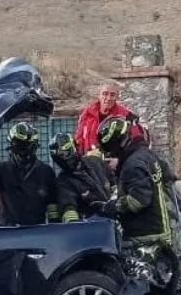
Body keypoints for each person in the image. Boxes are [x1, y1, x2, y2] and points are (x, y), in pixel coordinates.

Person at [92, 116, 170, 246]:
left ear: (117, 144)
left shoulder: (133, 165)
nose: (109, 154)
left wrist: (112, 206)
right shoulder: (145, 153)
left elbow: (139, 200)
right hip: (159, 228)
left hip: (145, 235)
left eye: (109, 149)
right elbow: (167, 175)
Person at [0, 122, 58, 226]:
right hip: (10, 233)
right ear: (11, 146)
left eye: (28, 147)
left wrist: (55, 229)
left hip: (37, 233)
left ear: (35, 147)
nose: (24, 152)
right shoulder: (1, 170)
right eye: (19, 146)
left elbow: (52, 205)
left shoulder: (46, 172)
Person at [51, 133, 114, 223]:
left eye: (67, 153)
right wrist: (72, 220)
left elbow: (115, 183)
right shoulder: (63, 182)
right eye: (60, 157)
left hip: (116, 221)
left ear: (74, 148)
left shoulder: (96, 162)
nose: (66, 159)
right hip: (93, 226)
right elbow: (68, 206)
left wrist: (115, 203)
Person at [73, 83, 145, 156]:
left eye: (112, 95)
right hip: (90, 161)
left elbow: (137, 143)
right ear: (99, 95)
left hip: (115, 163)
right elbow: (79, 139)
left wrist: (119, 159)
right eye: (105, 94)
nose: (108, 98)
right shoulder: (87, 114)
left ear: (117, 97)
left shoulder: (126, 116)